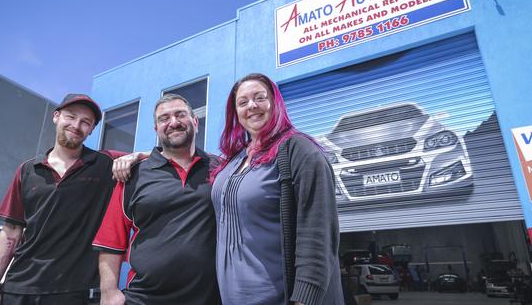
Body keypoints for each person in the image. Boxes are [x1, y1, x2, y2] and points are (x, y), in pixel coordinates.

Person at [0, 94, 129, 305]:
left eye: (85, 122)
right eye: (71, 117)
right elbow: (11, 232)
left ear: (91, 130)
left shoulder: (104, 163)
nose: (77, 125)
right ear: (56, 116)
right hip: (19, 287)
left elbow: (157, 157)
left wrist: (133, 157)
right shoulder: (27, 170)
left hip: (74, 292)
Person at [210, 73, 344, 305]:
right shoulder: (232, 160)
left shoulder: (299, 150)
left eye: (259, 97)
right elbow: (193, 160)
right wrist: (146, 156)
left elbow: (318, 232)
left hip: (280, 297)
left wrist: (304, 299)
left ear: (274, 102)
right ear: (236, 113)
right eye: (243, 102)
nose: (251, 106)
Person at [93, 94, 220, 305]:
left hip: (208, 298)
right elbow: (111, 240)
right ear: (156, 129)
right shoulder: (133, 175)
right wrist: (108, 292)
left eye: (181, 114)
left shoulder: (219, 169)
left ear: (195, 122)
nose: (173, 122)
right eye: (164, 118)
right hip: (143, 298)